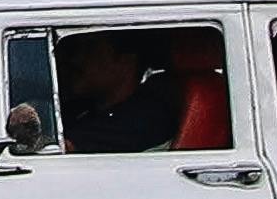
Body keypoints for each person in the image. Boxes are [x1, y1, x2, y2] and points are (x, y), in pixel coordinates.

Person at [53, 30, 186, 155]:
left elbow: (63, 147)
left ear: (126, 61)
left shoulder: (143, 119)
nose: (77, 59)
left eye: (90, 49)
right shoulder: (82, 107)